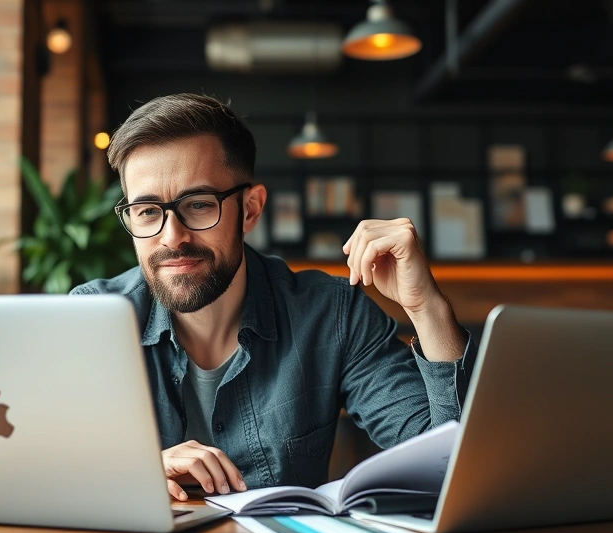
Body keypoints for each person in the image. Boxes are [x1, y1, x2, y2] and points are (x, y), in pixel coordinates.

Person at [71, 93, 477, 501]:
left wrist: (427, 307)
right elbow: (45, 466)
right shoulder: (91, 319)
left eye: (198, 205)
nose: (172, 236)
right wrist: (134, 472)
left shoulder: (332, 315)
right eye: (147, 211)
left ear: (250, 209)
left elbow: (450, 469)